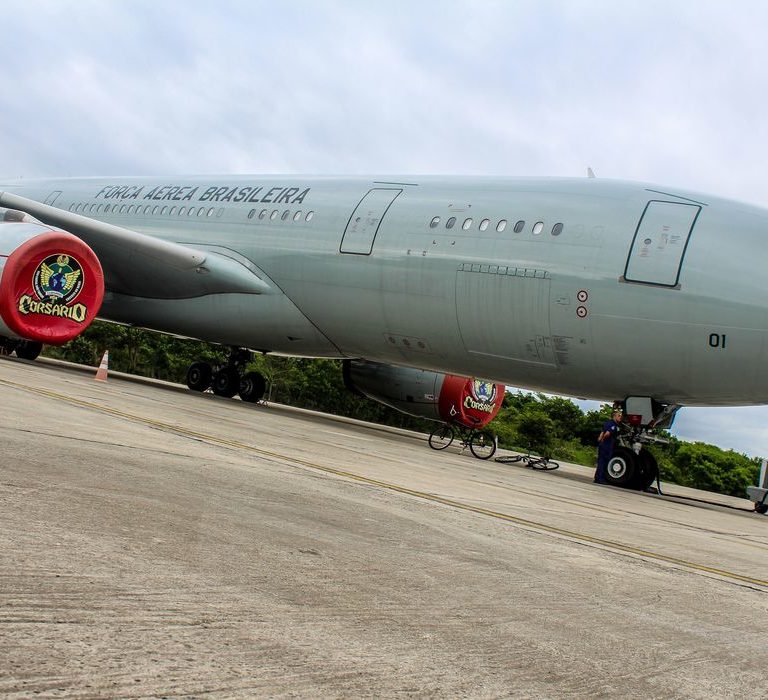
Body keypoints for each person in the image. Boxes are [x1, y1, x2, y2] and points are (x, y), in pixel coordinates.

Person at [595, 410, 622, 484]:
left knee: (601, 461)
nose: (620, 417)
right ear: (614, 416)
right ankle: (600, 479)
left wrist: (600, 440)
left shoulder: (608, 423)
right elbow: (607, 433)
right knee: (603, 462)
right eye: (619, 416)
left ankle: (597, 477)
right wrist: (604, 440)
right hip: (607, 445)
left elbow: (601, 434)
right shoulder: (612, 425)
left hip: (604, 445)